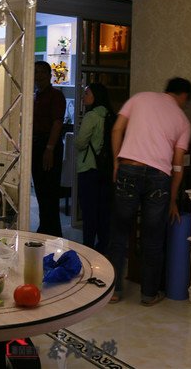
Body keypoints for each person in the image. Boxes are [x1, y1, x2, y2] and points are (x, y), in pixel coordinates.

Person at [106, 77, 191, 306]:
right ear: (183, 96)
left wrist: (116, 162)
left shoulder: (140, 98)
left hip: (129, 168)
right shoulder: (183, 120)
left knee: (119, 233)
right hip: (159, 178)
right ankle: (149, 294)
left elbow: (117, 129)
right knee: (153, 237)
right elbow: (178, 165)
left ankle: (113, 292)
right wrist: (172, 199)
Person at [74, 83, 114, 253]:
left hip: (89, 168)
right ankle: (103, 248)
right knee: (103, 211)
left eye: (87, 93)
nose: (84, 97)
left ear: (95, 96)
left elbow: (80, 143)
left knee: (89, 211)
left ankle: (88, 249)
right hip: (106, 169)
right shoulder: (110, 115)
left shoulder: (91, 116)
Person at [31, 61, 66, 237]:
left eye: (41, 72)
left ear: (49, 75)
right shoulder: (35, 96)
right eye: (35, 72)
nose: (37, 76)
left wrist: (49, 149)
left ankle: (53, 233)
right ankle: (44, 229)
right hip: (36, 145)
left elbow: (57, 122)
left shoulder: (56, 96)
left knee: (50, 192)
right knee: (40, 191)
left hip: (49, 146)